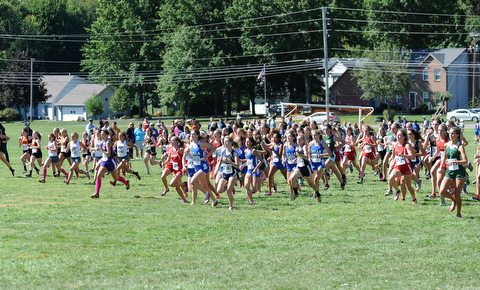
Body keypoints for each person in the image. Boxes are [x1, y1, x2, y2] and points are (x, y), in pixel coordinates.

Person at [91, 129, 130, 198]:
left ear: (107, 135)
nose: (102, 136)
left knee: (116, 178)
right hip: (104, 162)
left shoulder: (108, 143)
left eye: (103, 135)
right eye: (101, 134)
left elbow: (109, 154)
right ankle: (97, 193)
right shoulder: (103, 142)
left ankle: (126, 183)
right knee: (99, 176)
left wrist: (102, 150)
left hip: (110, 162)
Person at [438, 126, 468, 217]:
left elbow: (465, 161)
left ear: (457, 135)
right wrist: (440, 167)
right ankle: (453, 200)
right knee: (442, 191)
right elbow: (445, 157)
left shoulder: (460, 146)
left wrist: (454, 161)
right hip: (449, 171)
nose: (450, 135)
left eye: (453, 133)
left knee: (457, 193)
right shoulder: (446, 145)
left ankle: (458, 213)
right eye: (450, 133)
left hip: (459, 171)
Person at [184, 129, 219, 206]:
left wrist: (207, 156)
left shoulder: (202, 143)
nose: (192, 136)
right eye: (191, 134)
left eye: (193, 134)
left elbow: (213, 147)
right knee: (205, 185)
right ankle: (214, 201)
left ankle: (206, 194)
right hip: (197, 167)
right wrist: (188, 153)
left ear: (197, 135)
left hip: (204, 167)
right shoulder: (191, 144)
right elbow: (193, 156)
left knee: (193, 181)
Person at [288, 133, 320, 201]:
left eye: (300, 139)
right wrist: (296, 159)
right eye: (297, 139)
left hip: (306, 167)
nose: (298, 141)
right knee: (292, 178)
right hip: (299, 167)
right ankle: (296, 193)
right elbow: (300, 156)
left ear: (303, 140)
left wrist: (299, 153)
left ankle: (318, 194)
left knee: (311, 184)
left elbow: (306, 157)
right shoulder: (297, 147)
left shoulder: (304, 147)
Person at [216, 135, 240, 210]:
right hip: (225, 172)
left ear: (231, 142)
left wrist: (229, 161)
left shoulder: (234, 153)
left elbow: (237, 165)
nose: (225, 143)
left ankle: (231, 206)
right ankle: (229, 186)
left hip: (233, 173)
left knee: (229, 191)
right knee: (219, 190)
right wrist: (217, 167)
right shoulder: (223, 151)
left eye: (227, 141)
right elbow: (220, 160)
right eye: (224, 141)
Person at [161, 136, 188, 203]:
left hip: (180, 170)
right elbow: (169, 160)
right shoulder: (171, 149)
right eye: (170, 140)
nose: (171, 141)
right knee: (176, 186)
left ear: (177, 142)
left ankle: (184, 184)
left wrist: (186, 164)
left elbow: (186, 156)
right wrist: (164, 163)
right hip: (175, 170)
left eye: (173, 140)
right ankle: (184, 200)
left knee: (172, 184)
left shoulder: (181, 149)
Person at [242, 136, 264, 205]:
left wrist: (255, 168)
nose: (246, 143)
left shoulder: (254, 151)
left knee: (254, 190)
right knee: (246, 185)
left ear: (251, 143)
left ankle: (260, 180)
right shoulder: (245, 151)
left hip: (255, 170)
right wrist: (243, 165)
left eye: (248, 141)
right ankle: (251, 202)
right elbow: (248, 161)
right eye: (246, 141)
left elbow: (261, 160)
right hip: (249, 170)